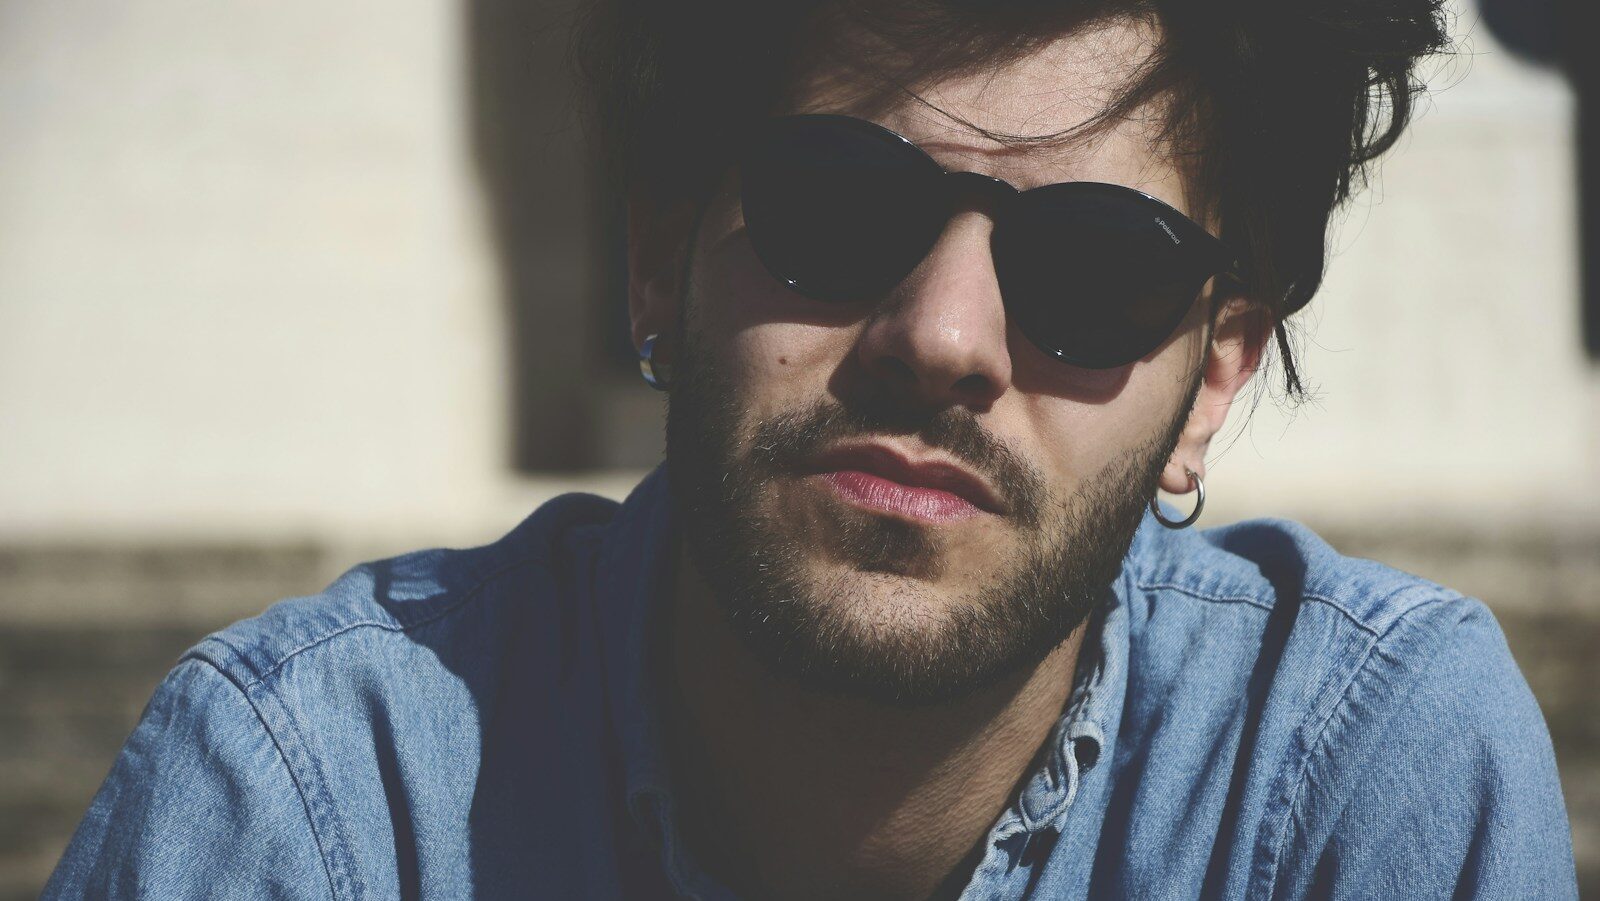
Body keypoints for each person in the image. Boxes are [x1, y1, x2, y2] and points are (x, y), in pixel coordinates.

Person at [45, 1, 1578, 898]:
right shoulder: (310, 803)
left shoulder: (1355, 785)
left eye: (1100, 267)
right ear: (658, 260)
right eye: (839, 204)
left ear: (1212, 379)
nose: (945, 338)